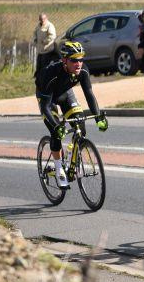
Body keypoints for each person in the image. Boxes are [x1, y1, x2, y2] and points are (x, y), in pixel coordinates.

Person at [35, 40, 108, 188]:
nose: (79, 63)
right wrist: (57, 127)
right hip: (48, 100)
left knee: (80, 124)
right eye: (74, 60)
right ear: (64, 60)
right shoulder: (51, 73)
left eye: (81, 59)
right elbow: (45, 107)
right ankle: (59, 168)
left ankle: (74, 157)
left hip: (65, 94)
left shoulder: (83, 71)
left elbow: (89, 94)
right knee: (56, 132)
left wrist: (98, 116)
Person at [32, 13, 57, 78]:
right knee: (38, 65)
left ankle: (44, 77)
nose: (42, 20)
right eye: (40, 19)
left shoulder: (50, 26)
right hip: (40, 50)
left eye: (43, 19)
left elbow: (52, 36)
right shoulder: (38, 26)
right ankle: (38, 77)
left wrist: (45, 41)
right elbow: (35, 33)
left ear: (46, 18)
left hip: (47, 50)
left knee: (45, 66)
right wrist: (35, 39)